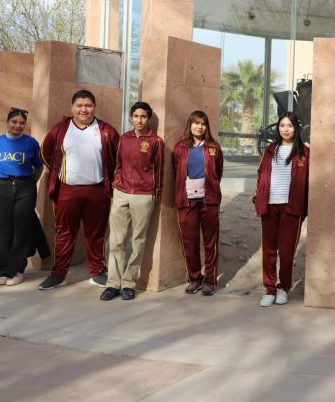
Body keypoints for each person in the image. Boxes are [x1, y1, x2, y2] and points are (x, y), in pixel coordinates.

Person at [38, 90, 120, 290]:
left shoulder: (107, 131)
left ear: (94, 107)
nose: (84, 109)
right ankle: (58, 274)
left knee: (96, 234)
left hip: (97, 191)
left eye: (88, 105)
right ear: (72, 107)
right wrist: (59, 172)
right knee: (64, 233)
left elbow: (117, 158)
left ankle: (97, 272)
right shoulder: (60, 130)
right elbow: (45, 153)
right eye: (79, 105)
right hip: (67, 191)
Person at [101, 102, 164, 301]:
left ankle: (128, 283)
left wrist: (155, 193)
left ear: (149, 119)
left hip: (144, 195)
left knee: (138, 241)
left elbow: (159, 170)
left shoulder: (156, 141)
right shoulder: (124, 138)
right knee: (116, 241)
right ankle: (113, 284)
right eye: (136, 116)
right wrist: (116, 184)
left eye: (143, 116)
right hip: (121, 192)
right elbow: (117, 164)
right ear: (131, 117)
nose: (139, 120)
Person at [253, 112, 310, 307]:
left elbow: (309, 181)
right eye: (282, 125)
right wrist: (258, 199)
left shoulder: (304, 152)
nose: (286, 129)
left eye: (290, 126)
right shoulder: (271, 149)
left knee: (286, 251)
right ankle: (269, 289)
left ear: (296, 128)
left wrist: (304, 207)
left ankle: (283, 287)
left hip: (291, 207)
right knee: (269, 250)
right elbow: (261, 174)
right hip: (269, 206)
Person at [0, 108, 43, 286]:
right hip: (2, 188)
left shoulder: (31, 143)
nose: (18, 125)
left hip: (25, 188)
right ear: (8, 122)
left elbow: (39, 167)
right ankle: (3, 271)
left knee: (21, 229)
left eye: (22, 123)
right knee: (3, 229)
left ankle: (17, 270)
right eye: (14, 122)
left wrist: (29, 183)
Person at [173, 110, 224, 296]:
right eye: (196, 123)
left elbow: (218, 170)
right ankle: (194, 278)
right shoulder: (180, 148)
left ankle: (210, 280)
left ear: (206, 126)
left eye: (203, 123)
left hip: (209, 200)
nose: (199, 126)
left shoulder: (213, 147)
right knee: (189, 241)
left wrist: (211, 186)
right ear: (190, 125)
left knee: (210, 242)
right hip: (186, 201)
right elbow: (176, 170)